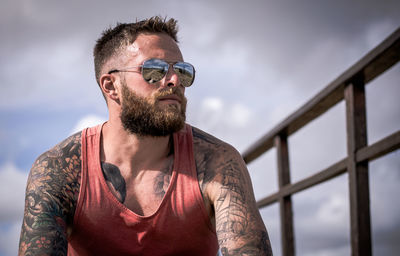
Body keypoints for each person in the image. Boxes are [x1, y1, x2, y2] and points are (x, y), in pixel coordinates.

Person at [18, 16, 272, 256]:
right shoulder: (60, 170)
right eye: (154, 70)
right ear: (111, 86)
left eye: (182, 71)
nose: (174, 81)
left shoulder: (218, 163)